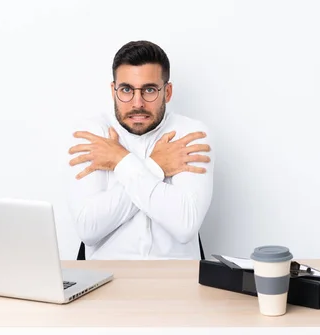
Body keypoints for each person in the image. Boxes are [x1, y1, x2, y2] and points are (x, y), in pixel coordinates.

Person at [67, 40, 214, 260]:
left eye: (150, 90)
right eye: (126, 89)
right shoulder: (92, 133)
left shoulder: (190, 134)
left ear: (168, 92)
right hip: (105, 282)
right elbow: (88, 229)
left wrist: (120, 160)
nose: (138, 103)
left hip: (177, 282)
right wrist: (156, 166)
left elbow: (185, 225)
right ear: (113, 90)